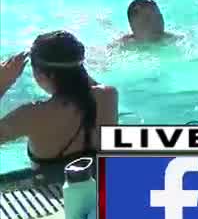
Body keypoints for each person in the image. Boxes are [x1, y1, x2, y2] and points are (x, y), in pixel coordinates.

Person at [0, 31, 119, 180]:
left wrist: (3, 83)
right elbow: (87, 85)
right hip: (98, 187)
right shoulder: (108, 96)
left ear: (43, 75)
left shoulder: (31, 115)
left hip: (53, 198)